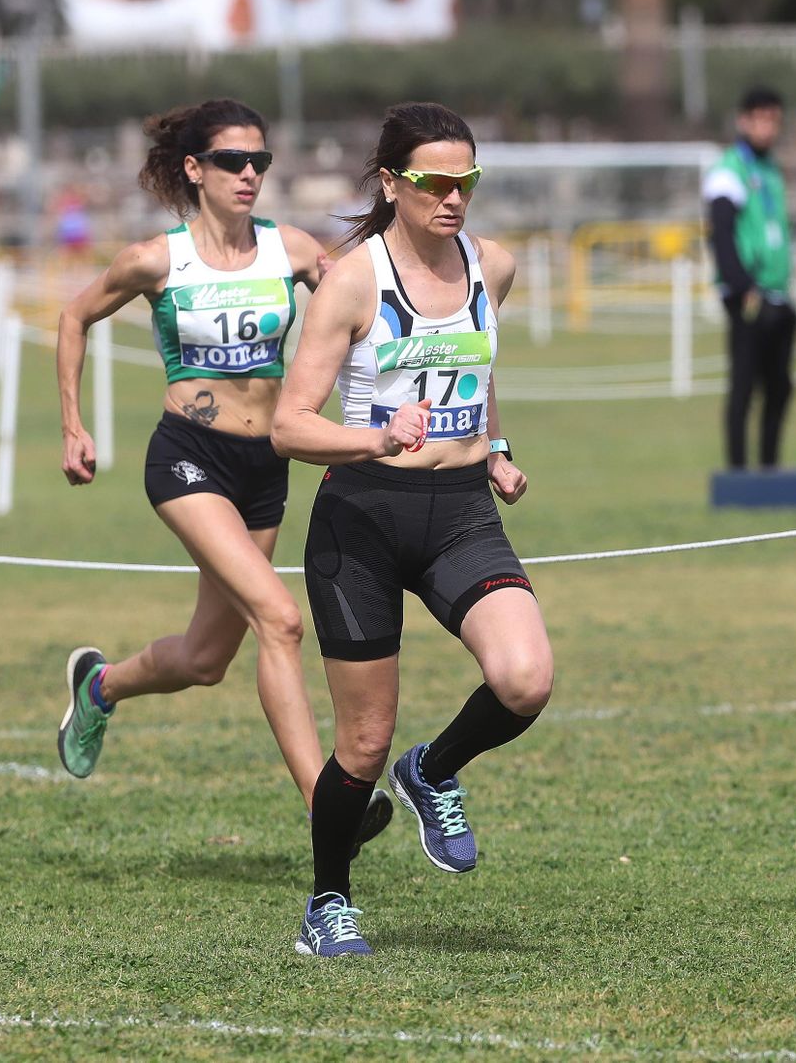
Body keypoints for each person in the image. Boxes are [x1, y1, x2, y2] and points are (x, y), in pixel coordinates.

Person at [52, 98, 391, 850]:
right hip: (186, 457)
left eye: (260, 162)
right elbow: (74, 317)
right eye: (234, 161)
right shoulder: (155, 260)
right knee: (281, 618)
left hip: (265, 467)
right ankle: (325, 803)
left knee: (206, 661)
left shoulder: (295, 251)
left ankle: (99, 685)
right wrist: (74, 425)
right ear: (194, 169)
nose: (250, 175)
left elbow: (363, 316)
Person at [273, 101, 553, 957]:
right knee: (361, 740)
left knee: (525, 679)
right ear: (391, 183)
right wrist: (373, 438)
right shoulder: (354, 280)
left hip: (462, 510)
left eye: (467, 181)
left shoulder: (491, 266)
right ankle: (329, 903)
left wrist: (495, 447)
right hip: (362, 517)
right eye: (434, 181)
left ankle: (433, 772)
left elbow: (478, 365)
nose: (454, 198)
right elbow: (289, 426)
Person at [703, 85, 796, 471]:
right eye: (760, 119)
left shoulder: (770, 169)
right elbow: (721, 232)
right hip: (749, 294)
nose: (767, 128)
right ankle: (740, 474)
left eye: (774, 120)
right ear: (744, 121)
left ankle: (770, 469)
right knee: (745, 382)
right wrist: (742, 287)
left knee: (779, 385)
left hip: (777, 292)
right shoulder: (730, 169)